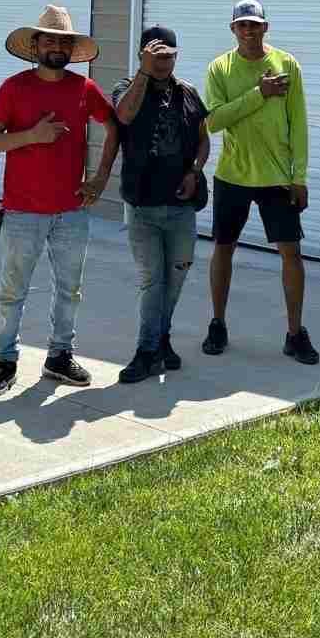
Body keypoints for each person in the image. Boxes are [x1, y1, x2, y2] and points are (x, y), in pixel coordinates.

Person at [0, 4, 119, 395]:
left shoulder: (84, 89)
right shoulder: (14, 87)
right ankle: (5, 361)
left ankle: (59, 356)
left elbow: (113, 127)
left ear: (70, 49)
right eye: (50, 39)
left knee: (69, 290)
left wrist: (101, 178)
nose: (56, 45)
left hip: (71, 212)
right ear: (35, 45)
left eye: (64, 40)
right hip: (23, 211)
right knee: (13, 293)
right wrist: (31, 136)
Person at [201, 0, 318, 364]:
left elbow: (298, 124)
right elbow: (214, 121)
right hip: (232, 175)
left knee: (291, 254)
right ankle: (217, 324)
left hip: (278, 178)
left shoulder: (287, 65)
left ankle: (295, 334)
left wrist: (299, 177)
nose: (249, 31)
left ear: (266, 28)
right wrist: (259, 94)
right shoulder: (220, 68)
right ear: (233, 29)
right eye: (242, 25)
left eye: (255, 25)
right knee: (223, 247)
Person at [111, 25, 210, 384]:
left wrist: (195, 171)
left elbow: (203, 140)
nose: (164, 62)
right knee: (153, 281)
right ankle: (145, 351)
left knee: (176, 279)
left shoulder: (188, 93)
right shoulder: (127, 88)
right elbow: (124, 116)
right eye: (156, 55)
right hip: (143, 207)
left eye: (169, 55)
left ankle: (160, 340)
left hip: (182, 208)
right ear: (142, 55)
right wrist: (144, 70)